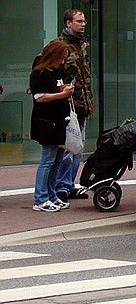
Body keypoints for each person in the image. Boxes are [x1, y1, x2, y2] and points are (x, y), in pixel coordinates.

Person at [29, 40, 76, 212]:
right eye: (61, 58)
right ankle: (40, 198)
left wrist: (64, 88)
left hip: (59, 120)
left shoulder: (56, 72)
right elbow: (39, 97)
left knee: (57, 160)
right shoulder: (39, 73)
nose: (62, 62)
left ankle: (51, 194)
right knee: (47, 160)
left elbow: (56, 89)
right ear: (53, 56)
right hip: (46, 122)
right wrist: (60, 94)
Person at [54, 9, 92, 201]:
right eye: (79, 21)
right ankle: (61, 185)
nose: (83, 24)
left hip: (82, 103)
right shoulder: (59, 46)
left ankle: (69, 184)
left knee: (78, 147)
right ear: (69, 23)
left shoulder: (82, 45)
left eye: (84, 21)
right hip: (69, 104)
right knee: (68, 147)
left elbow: (85, 77)